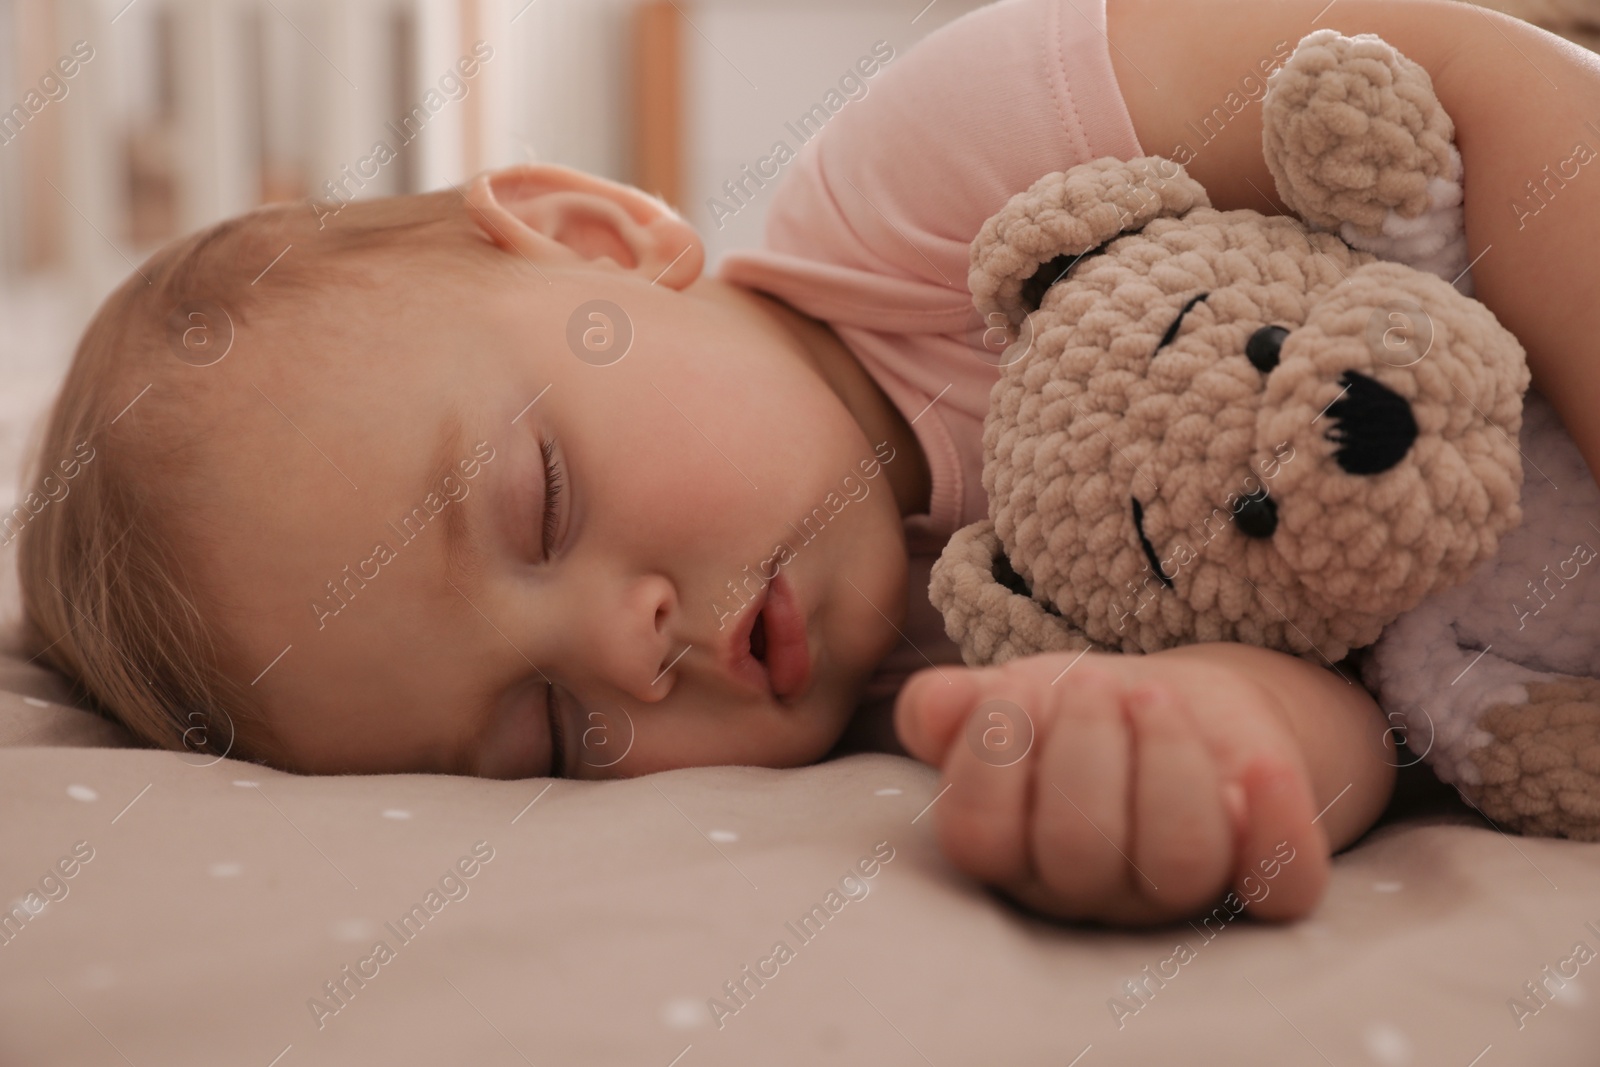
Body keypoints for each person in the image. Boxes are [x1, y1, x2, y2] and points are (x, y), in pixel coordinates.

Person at [18, 0, 1599, 927]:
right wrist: (1194, 746)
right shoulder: (922, 691)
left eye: (540, 505)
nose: (626, 655)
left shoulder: (934, 179)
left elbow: (1458, 75)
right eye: (551, 737)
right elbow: (1365, 707)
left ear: (600, 240)